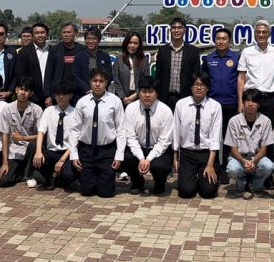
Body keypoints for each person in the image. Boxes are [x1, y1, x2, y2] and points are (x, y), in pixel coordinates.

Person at [70, 69, 126, 198]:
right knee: (86, 192)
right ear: (90, 82)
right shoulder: (82, 102)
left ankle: (103, 180)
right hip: (86, 150)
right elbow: (75, 129)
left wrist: (119, 155)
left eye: (101, 81)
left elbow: (121, 129)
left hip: (107, 150)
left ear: (106, 83)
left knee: (105, 193)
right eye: (94, 80)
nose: (97, 84)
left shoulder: (115, 101)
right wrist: (74, 154)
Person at [120, 76, 174, 195]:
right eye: (144, 91)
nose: (147, 95)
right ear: (138, 93)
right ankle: (137, 182)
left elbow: (164, 141)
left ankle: (160, 183)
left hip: (158, 148)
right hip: (139, 146)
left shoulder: (166, 111)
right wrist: (141, 158)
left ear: (157, 94)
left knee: (160, 166)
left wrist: (148, 159)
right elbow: (130, 137)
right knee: (127, 157)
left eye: (151, 91)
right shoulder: (130, 109)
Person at [173, 73, 220, 199]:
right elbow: (176, 133)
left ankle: (207, 176)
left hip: (207, 154)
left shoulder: (215, 106)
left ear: (207, 88)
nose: (199, 88)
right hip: (187, 153)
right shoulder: (181, 105)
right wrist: (175, 157)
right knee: (186, 191)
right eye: (196, 84)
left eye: (202, 85)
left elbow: (215, 138)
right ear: (191, 87)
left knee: (208, 192)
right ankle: (192, 177)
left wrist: (210, 165)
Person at [225, 89, 274, 198]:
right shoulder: (234, 121)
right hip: (238, 157)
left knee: (269, 166)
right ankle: (241, 185)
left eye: (254, 101)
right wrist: (244, 162)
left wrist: (253, 161)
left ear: (259, 104)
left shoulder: (266, 121)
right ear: (243, 102)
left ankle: (256, 186)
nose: (250, 104)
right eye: (247, 100)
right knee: (232, 169)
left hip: (257, 157)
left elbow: (264, 149)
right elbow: (233, 149)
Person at [201, 27, 241, 163]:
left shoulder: (236, 58)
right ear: (214, 40)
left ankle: (227, 166)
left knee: (229, 137)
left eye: (224, 39)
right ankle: (213, 165)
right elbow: (204, 81)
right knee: (213, 136)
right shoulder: (208, 58)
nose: (221, 41)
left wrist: (240, 103)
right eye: (218, 38)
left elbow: (242, 80)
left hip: (231, 103)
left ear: (229, 41)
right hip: (212, 104)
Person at [33, 80, 79, 191]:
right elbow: (41, 132)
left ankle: (59, 178)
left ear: (70, 95)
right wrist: (38, 152)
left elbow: (75, 141)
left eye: (64, 94)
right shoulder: (48, 111)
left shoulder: (75, 114)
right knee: (38, 161)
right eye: (58, 94)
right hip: (51, 152)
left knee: (68, 175)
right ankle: (51, 178)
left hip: (67, 153)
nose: (61, 97)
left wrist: (62, 161)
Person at [237, 20, 274, 121]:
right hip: (250, 98)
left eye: (264, 32)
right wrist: (240, 102)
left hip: (268, 99)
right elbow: (241, 78)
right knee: (248, 127)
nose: (261, 34)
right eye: (258, 32)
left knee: (268, 128)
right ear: (255, 34)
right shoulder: (246, 52)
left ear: (269, 34)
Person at [0, 76, 42, 188]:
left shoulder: (37, 110)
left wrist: (23, 138)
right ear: (16, 90)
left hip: (31, 151)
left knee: (33, 145)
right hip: (14, 150)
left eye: (26, 90)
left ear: (31, 93)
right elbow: (4, 136)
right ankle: (22, 173)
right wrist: (4, 163)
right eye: (21, 89)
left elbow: (42, 135)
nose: (23, 93)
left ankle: (27, 174)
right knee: (4, 181)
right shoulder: (7, 109)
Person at [155, 17, 201, 110]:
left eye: (180, 27)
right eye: (174, 27)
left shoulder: (193, 51)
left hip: (186, 98)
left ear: (185, 30)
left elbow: (196, 76)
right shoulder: (162, 50)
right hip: (165, 98)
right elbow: (158, 75)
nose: (176, 30)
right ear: (170, 30)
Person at [14, 22, 55, 106]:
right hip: (31, 97)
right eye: (37, 33)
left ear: (47, 35)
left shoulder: (53, 51)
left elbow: (56, 75)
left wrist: (51, 95)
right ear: (32, 35)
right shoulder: (24, 52)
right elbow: (20, 74)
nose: (40, 35)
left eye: (42, 32)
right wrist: (30, 94)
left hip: (50, 98)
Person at [51, 22, 86, 104]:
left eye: (69, 32)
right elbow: (49, 73)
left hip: (78, 92)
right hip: (60, 92)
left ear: (75, 33)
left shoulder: (82, 50)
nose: (66, 35)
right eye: (64, 32)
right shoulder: (54, 50)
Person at [114, 31, 148, 109]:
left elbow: (145, 79)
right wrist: (123, 97)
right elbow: (116, 80)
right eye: (130, 42)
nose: (132, 46)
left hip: (138, 97)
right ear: (126, 43)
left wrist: (136, 94)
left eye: (135, 43)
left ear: (139, 45)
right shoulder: (119, 59)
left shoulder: (144, 60)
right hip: (121, 99)